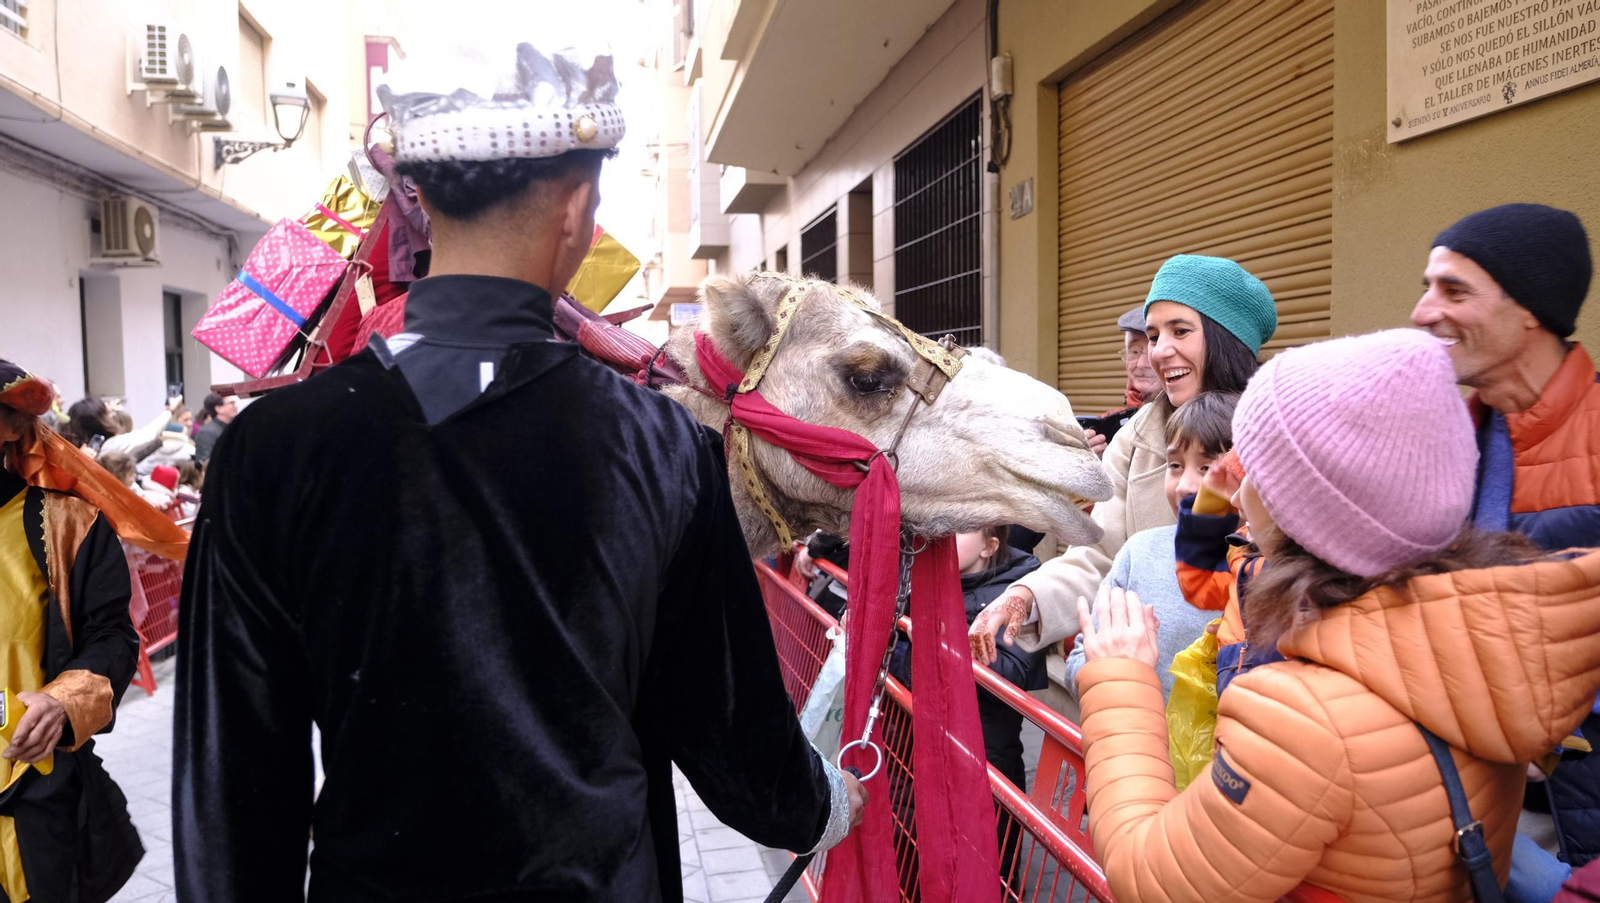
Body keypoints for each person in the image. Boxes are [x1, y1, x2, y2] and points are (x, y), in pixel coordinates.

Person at [174, 41, 862, 903]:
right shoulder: (660, 445)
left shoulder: (266, 452)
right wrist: (821, 804)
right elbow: (734, 735)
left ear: (419, 198)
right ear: (577, 207)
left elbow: (233, 792)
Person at [1070, 328, 1600, 902]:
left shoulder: (1300, 722)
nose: (1238, 493)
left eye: (1258, 473)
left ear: (1305, 504)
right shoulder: (1476, 636)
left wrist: (1123, 680)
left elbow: (1151, 882)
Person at [971, 254, 1278, 669]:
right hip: (1141, 688)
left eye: (1180, 331)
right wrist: (1025, 597)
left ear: (1227, 339)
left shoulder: (1285, 442)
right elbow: (1100, 555)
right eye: (1153, 336)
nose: (1159, 352)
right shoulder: (1134, 440)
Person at [1416, 203, 1600, 886]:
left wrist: (1542, 729)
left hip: (1573, 815)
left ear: (1531, 310)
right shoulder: (1443, 436)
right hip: (1460, 791)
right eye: (1427, 285)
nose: (1422, 311)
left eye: (1454, 290)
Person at [0, 360, 144, 903]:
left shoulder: (70, 525)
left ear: (14, 425)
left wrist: (64, 701)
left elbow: (112, 635)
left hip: (28, 786)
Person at [1063, 391, 1237, 705]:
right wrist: (1112, 671)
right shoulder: (1139, 551)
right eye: (1175, 465)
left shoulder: (1265, 570)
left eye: (1206, 467)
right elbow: (1079, 659)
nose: (1184, 485)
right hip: (1135, 743)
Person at [1084, 306, 1162, 458]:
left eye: (1152, 351)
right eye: (1134, 352)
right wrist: (1089, 460)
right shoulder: (1110, 422)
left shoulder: (1195, 419)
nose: (1140, 364)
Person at [191, 394, 236, 465]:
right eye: (232, 403)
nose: (236, 406)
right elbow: (204, 461)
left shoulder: (231, 428)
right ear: (219, 409)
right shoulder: (207, 433)